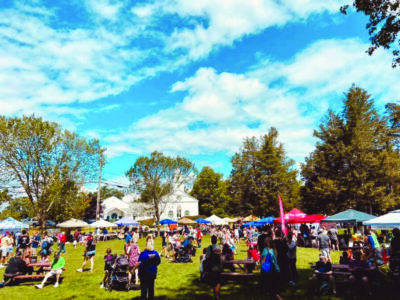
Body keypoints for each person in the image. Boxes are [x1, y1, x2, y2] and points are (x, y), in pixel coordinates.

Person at [206, 235, 222, 300]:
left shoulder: (209, 248)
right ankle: (216, 295)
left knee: (214, 282)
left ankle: (216, 296)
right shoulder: (220, 247)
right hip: (219, 266)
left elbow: (208, 257)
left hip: (212, 267)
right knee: (218, 281)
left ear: (211, 240)